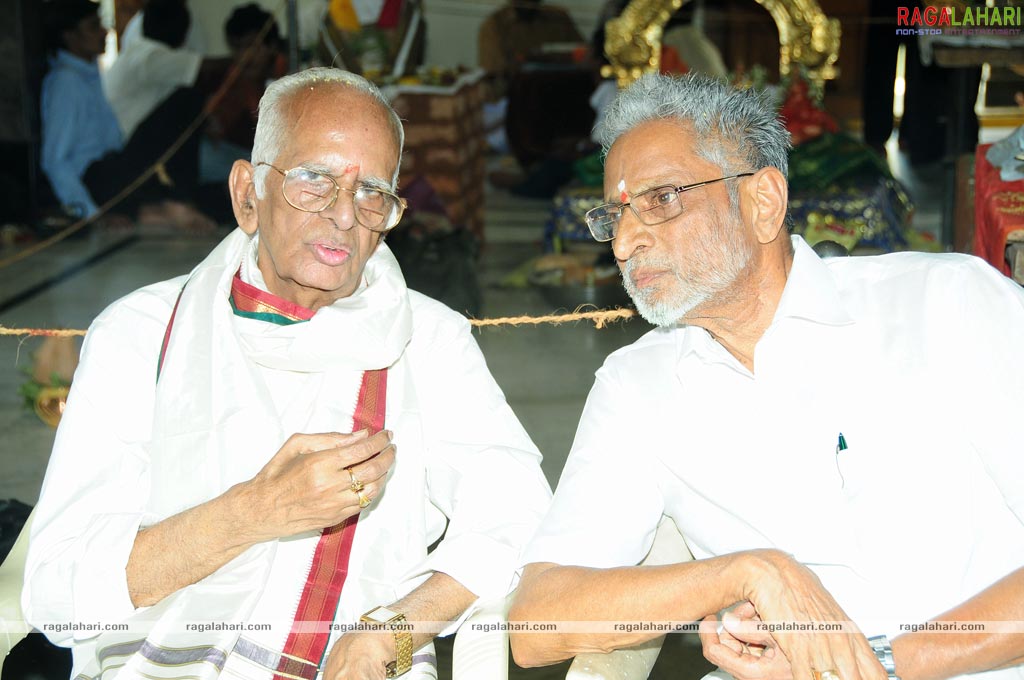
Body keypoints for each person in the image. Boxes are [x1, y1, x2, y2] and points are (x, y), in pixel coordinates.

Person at [23, 67, 552, 679]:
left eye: (371, 192)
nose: (345, 216)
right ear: (248, 193)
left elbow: (519, 515)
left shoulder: (428, 340)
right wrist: (257, 510)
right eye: (315, 180)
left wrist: (393, 632)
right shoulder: (142, 335)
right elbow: (54, 597)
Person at [509, 73, 1024, 680]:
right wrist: (749, 573)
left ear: (762, 203)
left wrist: (879, 666)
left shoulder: (943, 305)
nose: (623, 242)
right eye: (614, 215)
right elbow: (534, 623)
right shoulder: (637, 385)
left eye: (661, 199)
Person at [39, 0, 213, 231]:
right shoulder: (66, 83)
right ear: (70, 37)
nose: (104, 32)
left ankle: (161, 207)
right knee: (185, 99)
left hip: (112, 167)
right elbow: (55, 161)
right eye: (94, 27)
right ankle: (172, 203)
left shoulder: (88, 74)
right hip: (94, 178)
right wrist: (92, 215)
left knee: (212, 195)